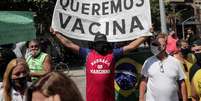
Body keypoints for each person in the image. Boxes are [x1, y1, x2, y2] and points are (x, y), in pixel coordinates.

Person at [51, 28, 148, 101]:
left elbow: (131, 47)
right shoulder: (87, 53)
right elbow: (69, 44)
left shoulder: (113, 54)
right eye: (98, 43)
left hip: (108, 98)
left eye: (103, 43)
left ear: (106, 43)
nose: (101, 45)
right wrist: (57, 34)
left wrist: (146, 35)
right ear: (94, 44)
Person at [139, 34, 187, 101]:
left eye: (157, 45)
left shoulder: (175, 62)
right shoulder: (148, 62)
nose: (154, 47)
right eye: (154, 44)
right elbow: (143, 82)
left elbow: (182, 83)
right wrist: (141, 98)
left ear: (164, 46)